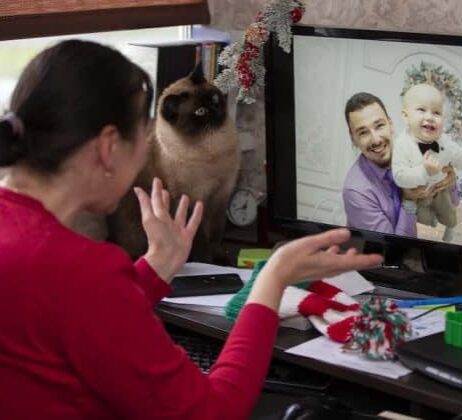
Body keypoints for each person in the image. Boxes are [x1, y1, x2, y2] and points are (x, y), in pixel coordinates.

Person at [0, 40, 383, 419]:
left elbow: (69, 316)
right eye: (144, 136)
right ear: (107, 147)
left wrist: (153, 270)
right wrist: (273, 280)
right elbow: (212, 413)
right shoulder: (79, 269)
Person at [342, 92, 457, 237]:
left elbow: (453, 202)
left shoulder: (411, 150)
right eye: (363, 132)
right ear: (353, 138)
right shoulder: (356, 191)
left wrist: (450, 181)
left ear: (390, 124)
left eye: (379, 126)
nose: (376, 139)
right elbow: (392, 250)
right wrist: (409, 200)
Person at [391, 83, 462, 241]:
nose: (430, 117)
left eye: (436, 112)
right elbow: (399, 176)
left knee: (450, 216)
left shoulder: (444, 141)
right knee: (423, 221)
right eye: (421, 110)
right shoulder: (402, 143)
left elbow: (459, 161)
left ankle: (448, 235)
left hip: (440, 189)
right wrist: (424, 172)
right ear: (405, 116)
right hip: (417, 193)